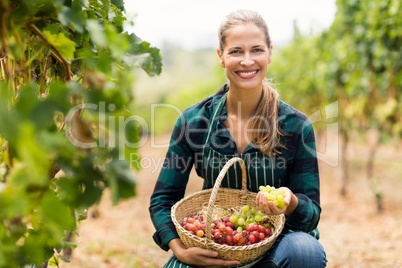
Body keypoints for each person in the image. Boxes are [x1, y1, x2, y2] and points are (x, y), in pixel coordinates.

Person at [149, 10, 327, 268]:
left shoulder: (296, 126)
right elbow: (162, 200)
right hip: (214, 243)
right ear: (221, 57)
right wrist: (180, 250)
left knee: (305, 251)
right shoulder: (194, 122)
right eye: (235, 51)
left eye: (256, 50)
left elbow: (311, 215)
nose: (247, 61)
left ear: (270, 53)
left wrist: (291, 202)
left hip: (275, 248)